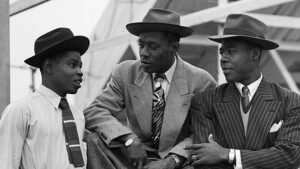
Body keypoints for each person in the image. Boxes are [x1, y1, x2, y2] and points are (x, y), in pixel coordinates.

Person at [84, 8, 216, 169]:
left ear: (174, 47)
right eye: (141, 45)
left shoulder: (201, 81)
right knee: (94, 139)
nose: (143, 53)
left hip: (178, 160)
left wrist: (173, 160)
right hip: (135, 157)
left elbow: (202, 132)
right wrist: (128, 138)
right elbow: (94, 111)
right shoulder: (125, 72)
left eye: (152, 46)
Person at [185, 14, 300, 169]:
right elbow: (204, 160)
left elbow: (289, 156)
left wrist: (229, 154)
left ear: (255, 54)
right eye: (222, 52)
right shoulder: (204, 101)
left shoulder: (290, 101)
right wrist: (266, 157)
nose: (223, 58)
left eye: (231, 51)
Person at [0, 27, 90, 169]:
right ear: (49, 67)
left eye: (80, 66)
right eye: (72, 65)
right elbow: (6, 164)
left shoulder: (78, 116)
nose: (79, 72)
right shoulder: (21, 111)